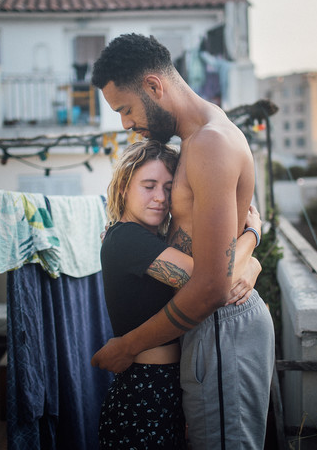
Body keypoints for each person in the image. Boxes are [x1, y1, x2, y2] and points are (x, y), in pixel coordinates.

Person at [90, 33, 275, 449]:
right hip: (210, 324)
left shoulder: (209, 143)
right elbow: (224, 251)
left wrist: (126, 346)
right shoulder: (200, 140)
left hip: (220, 325)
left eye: (126, 108)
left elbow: (212, 285)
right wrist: (251, 242)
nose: (125, 122)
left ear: (155, 86)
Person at [99, 139, 263, 449]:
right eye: (148, 186)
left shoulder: (149, 240)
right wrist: (252, 236)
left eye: (168, 188)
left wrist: (253, 266)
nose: (160, 198)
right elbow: (212, 280)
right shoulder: (127, 239)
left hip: (164, 384)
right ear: (123, 188)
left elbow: (219, 272)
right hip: (145, 390)